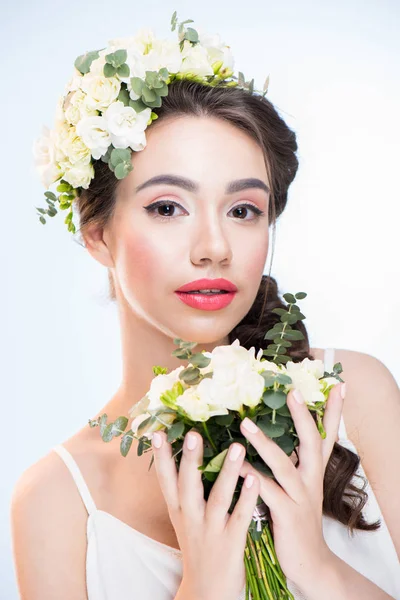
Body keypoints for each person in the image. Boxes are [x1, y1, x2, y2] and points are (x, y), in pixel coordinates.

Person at [10, 14, 400, 600]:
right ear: (96, 233)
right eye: (168, 207)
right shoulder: (56, 503)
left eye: (243, 210)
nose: (215, 248)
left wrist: (315, 568)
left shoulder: (355, 393)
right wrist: (204, 588)